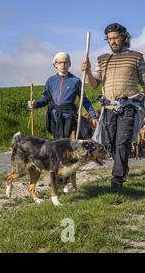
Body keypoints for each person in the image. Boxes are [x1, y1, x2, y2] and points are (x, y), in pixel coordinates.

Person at [81, 23, 145, 191]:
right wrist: (89, 71)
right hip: (108, 108)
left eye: (115, 38)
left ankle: (117, 178)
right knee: (109, 142)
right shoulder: (103, 59)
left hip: (128, 105)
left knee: (122, 141)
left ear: (124, 37)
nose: (112, 41)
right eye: (109, 39)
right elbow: (93, 84)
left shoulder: (136, 57)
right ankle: (123, 166)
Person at [28, 52, 98, 191]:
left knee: (66, 149)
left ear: (69, 64)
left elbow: (85, 100)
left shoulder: (76, 81)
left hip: (69, 118)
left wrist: (93, 115)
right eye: (60, 62)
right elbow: (45, 99)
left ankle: (64, 181)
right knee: (55, 149)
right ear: (55, 65)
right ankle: (57, 178)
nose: (63, 65)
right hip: (54, 117)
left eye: (66, 62)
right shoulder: (50, 81)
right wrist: (34, 104)